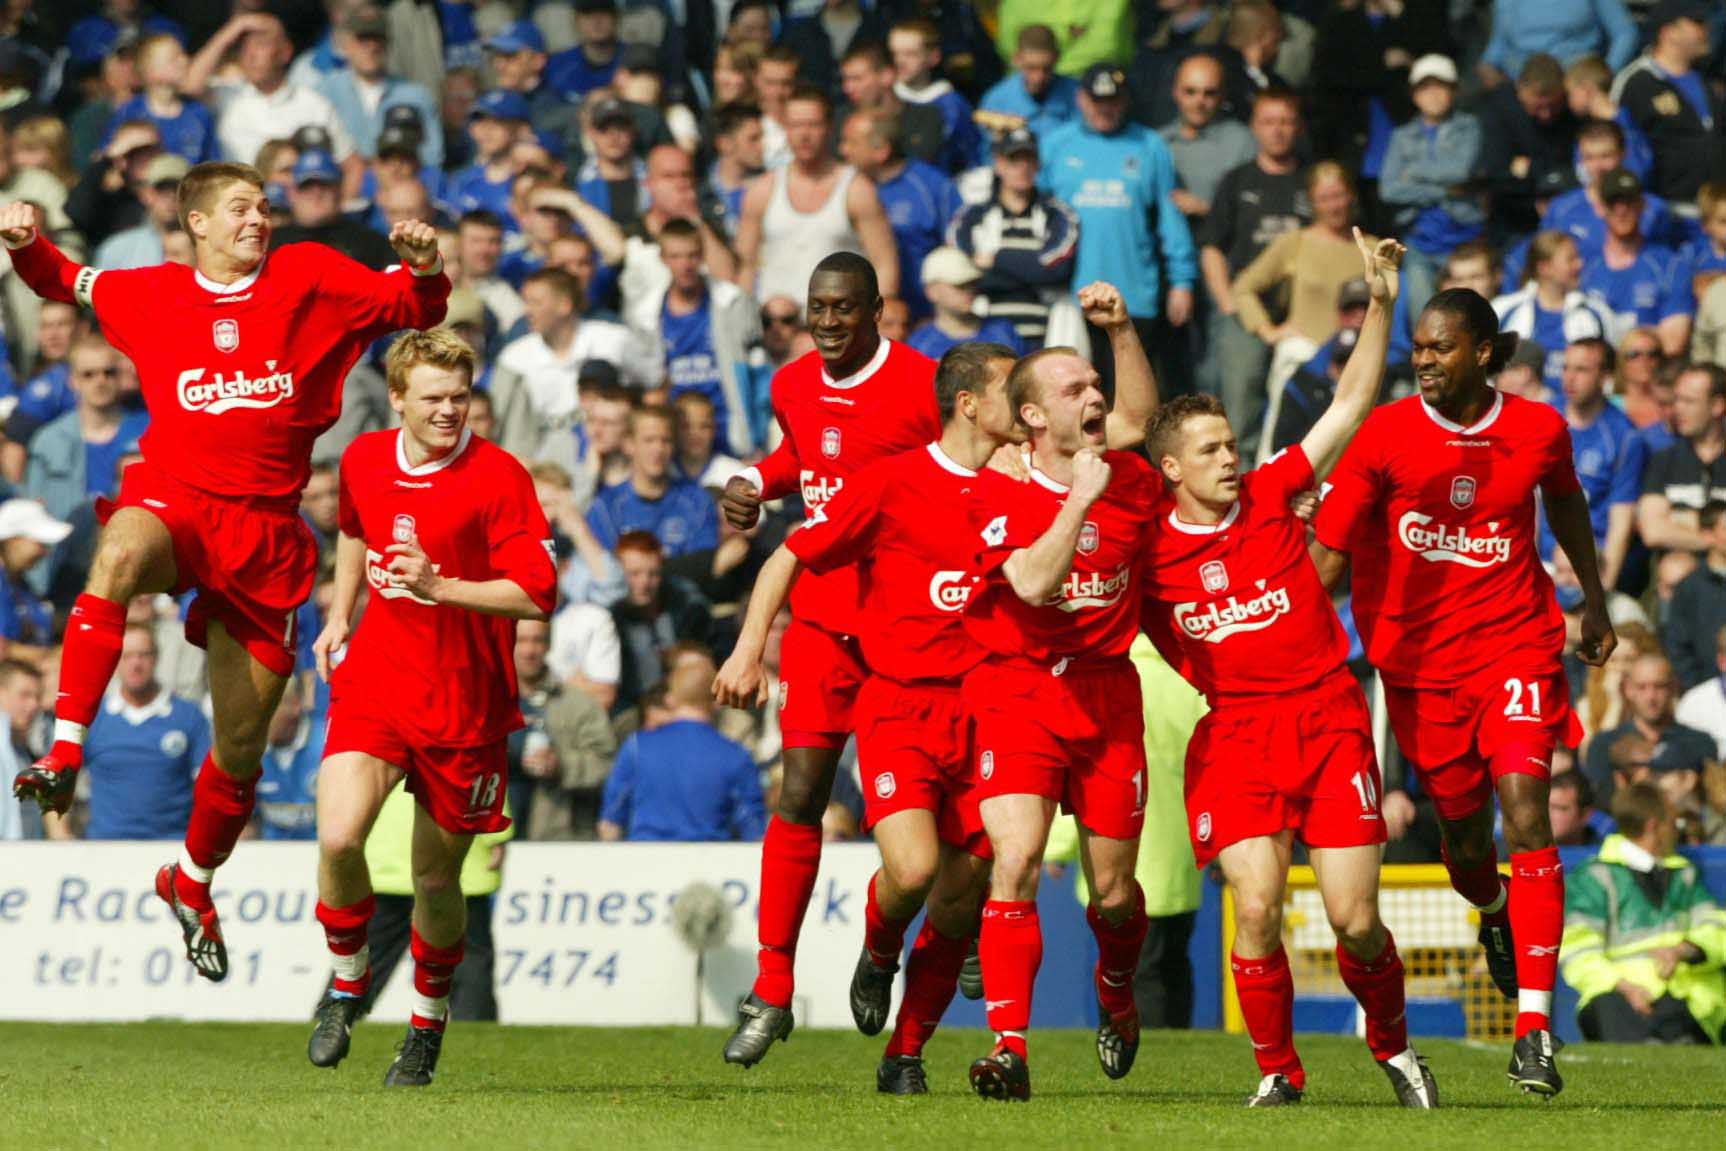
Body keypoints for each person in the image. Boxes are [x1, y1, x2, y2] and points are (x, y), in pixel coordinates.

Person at [4, 161, 448, 982]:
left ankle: (193, 880)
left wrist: (425, 267)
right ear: (197, 223)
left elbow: (413, 309)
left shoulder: (310, 277)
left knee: (239, 748)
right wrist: (26, 242)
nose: (259, 219)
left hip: (267, 537)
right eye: (241, 207)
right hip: (176, 499)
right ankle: (65, 750)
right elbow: (60, 279)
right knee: (120, 551)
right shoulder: (152, 292)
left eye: (264, 207)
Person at [1142, 231, 1434, 1107]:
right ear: (1169, 470)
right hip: (1233, 733)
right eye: (1210, 450)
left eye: (1231, 444)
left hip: (1326, 717)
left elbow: (1349, 402)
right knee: (1258, 904)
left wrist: (1382, 301)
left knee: (1354, 919)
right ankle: (1279, 1069)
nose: (1230, 457)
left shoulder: (1272, 491)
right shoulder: (1146, 553)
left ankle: (1394, 1046)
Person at [715, 335, 1047, 1093]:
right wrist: (748, 648)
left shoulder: (1025, 491)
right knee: (914, 868)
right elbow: (790, 551)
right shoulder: (894, 481)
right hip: (900, 700)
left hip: (989, 708)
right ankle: (878, 945)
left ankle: (904, 1052)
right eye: (1009, 390)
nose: (1024, 404)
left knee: (966, 889)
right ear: (968, 404)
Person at [1311, 286, 1618, 1097]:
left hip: (1516, 646)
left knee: (1526, 808)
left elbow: (1567, 502)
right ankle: (1493, 911)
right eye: (1417, 346)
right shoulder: (1385, 435)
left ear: (1484, 351)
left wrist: (1592, 597)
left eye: (1439, 347)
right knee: (1471, 845)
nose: (1422, 360)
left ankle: (1534, 1032)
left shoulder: (1538, 429)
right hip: (1419, 672)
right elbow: (1329, 554)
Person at [306, 329, 555, 1086]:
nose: (450, 411)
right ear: (399, 400)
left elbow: (538, 590)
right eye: (435, 399)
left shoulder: (500, 475)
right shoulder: (363, 459)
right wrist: (341, 612)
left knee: (435, 882)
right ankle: (349, 979)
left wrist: (441, 586)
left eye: (460, 397)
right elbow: (354, 528)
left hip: (465, 706)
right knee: (339, 834)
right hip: (378, 682)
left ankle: (425, 1025)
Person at [715, 253, 940, 1068]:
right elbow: (800, 458)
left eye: (845, 308)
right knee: (800, 788)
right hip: (818, 620)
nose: (829, 321)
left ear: (878, 310)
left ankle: (886, 944)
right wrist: (752, 480)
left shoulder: (923, 385)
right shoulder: (794, 382)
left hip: (905, 631)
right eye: (818, 307)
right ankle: (772, 989)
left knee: (914, 829)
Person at [959, 326, 1165, 1101]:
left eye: (1094, 384)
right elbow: (1035, 583)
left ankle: (1116, 986)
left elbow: (1141, 417)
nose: (1095, 395)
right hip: (1022, 690)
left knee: (1112, 893)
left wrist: (1118, 332)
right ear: (1034, 418)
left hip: (1108, 695)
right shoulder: (997, 486)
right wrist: (1079, 497)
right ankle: (1009, 1047)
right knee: (1013, 861)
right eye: (1075, 388)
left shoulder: (1134, 480)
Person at [1041, 63, 1195, 383]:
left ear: (1125, 100)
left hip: (1134, 291)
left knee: (1132, 393)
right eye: (1097, 101)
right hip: (1070, 296)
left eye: (1112, 101)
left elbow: (1170, 217)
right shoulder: (1056, 145)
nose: (1104, 109)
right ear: (1081, 99)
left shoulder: (1149, 145)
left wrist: (1182, 281)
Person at [1562, 781, 1726, 1043]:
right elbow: (1577, 951)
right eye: (1674, 822)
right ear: (1654, 826)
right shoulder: (1595, 877)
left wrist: (1685, 949)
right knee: (1608, 1006)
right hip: (1618, 999)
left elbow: (1717, 930)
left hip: (1687, 997)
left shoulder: (1683, 873)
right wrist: (1622, 986)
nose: (1678, 831)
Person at [1200, 87, 1309, 443]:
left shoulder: (1314, 181)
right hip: (1246, 312)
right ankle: (1243, 486)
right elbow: (1212, 246)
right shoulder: (1237, 181)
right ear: (1254, 128)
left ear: (1298, 127)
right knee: (1239, 408)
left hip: (1303, 313)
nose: (1277, 130)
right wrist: (1227, 301)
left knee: (1306, 406)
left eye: (1285, 122)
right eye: (1268, 122)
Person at [734, 86, 899, 307]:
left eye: (813, 124)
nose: (804, 134)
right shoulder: (762, 190)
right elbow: (745, 266)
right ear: (785, 129)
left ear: (829, 128)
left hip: (840, 328)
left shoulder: (857, 190)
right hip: (778, 326)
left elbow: (885, 264)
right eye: (796, 125)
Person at [599, 643, 764, 842]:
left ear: (670, 699)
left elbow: (610, 824)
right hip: (712, 867)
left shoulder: (637, 747)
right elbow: (755, 833)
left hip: (645, 865)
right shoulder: (737, 756)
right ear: (717, 702)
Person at [946, 126, 1079, 350]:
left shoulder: (1058, 215)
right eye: (1013, 160)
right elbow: (963, 272)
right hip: (985, 335)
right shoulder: (970, 216)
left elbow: (1057, 271)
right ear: (998, 164)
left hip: (1044, 337)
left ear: (1038, 164)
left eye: (1029, 160)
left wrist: (996, 260)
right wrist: (1031, 270)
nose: (1022, 168)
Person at [81, 622, 213, 841]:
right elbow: (61, 781)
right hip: (105, 848)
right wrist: (60, 833)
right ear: (115, 661)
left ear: (156, 659)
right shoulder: (93, 717)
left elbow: (208, 788)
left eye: (143, 655)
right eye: (127, 656)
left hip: (171, 846)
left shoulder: (189, 716)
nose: (136, 664)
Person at [1379, 55, 1484, 319]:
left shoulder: (1469, 127)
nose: (1433, 94)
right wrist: (1442, 190)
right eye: (1425, 87)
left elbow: (1461, 171)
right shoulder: (1401, 136)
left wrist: (1412, 173)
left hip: (1465, 238)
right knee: (1425, 316)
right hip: (1420, 242)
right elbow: (1389, 189)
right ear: (1414, 95)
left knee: (1471, 316)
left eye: (1441, 86)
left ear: (1454, 91)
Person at [839, 106, 959, 322]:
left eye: (852, 143)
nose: (843, 150)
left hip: (923, 315)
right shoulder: (841, 187)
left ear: (881, 150)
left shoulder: (932, 186)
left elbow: (956, 248)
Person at [509, 617, 616, 841]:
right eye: (522, 640)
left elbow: (608, 766)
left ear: (549, 645)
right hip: (494, 841)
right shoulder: (486, 702)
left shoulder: (579, 704)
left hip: (557, 841)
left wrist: (561, 765)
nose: (529, 650)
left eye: (537, 640)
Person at [1612, 1, 1726, 206]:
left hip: (1716, 212)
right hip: (1667, 210)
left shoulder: (1709, 80)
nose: (1706, 28)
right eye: (1697, 22)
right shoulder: (1637, 82)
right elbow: (1621, 145)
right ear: (1668, 31)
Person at [1555, 338, 1641, 590]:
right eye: (1566, 367)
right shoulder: (1543, 419)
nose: (1570, 377)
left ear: (1605, 376)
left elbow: (1621, 518)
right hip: (1542, 558)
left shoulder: (1625, 436)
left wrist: (1602, 591)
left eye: (1581, 370)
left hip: (1589, 561)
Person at [586, 405, 719, 565]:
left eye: (666, 440)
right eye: (649, 440)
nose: (658, 449)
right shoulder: (606, 506)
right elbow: (604, 571)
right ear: (629, 444)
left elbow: (703, 565)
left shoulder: (698, 502)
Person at [1581, 169, 1694, 355]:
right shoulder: (1583, 263)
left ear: (1642, 205)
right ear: (1599, 207)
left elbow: (1673, 342)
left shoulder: (1671, 266)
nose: (1621, 210)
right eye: (1612, 203)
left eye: (1629, 202)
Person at [1583, 653, 1715, 808]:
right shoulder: (1604, 744)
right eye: (1641, 687)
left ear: (1673, 687)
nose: (1651, 696)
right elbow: (1601, 804)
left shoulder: (1699, 744)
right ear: (1627, 689)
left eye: (1659, 686)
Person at [1492, 232, 1611, 395]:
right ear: (1544, 267)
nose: (1580, 264)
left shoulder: (1595, 313)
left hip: (1572, 415)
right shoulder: (1503, 309)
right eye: (1571, 259)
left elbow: (1610, 373)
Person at [1157, 54, 1256, 226]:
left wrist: (1207, 210)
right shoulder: (1156, 142)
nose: (1199, 101)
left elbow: (1256, 210)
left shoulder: (1243, 143)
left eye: (1209, 93)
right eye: (1190, 92)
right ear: (1175, 92)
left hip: (1221, 246)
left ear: (1222, 95)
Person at [1638, 364, 1726, 555]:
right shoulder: (1664, 460)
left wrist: (1678, 517)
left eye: (1689, 401)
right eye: (1676, 399)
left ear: (1717, 406)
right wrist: (1715, 538)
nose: (1677, 408)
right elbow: (1653, 531)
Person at [272, 149, 398, 270]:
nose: (316, 193)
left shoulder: (370, 244)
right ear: (291, 193)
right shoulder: (270, 243)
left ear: (339, 190)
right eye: (307, 186)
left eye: (324, 185)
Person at [906, 248, 1026, 361]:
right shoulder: (920, 345)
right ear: (932, 292)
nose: (969, 291)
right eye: (960, 285)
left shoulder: (1004, 332)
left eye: (972, 283)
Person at [978, 24, 1078, 143]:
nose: (1039, 77)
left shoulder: (1078, 95)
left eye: (1046, 68)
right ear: (1017, 59)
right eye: (1031, 68)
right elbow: (987, 153)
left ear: (1057, 58)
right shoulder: (997, 101)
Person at [255, 683, 322, 840]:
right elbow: (246, 823)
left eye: (267, 708)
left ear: (295, 705)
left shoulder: (329, 744)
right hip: (271, 855)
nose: (259, 719)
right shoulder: (250, 752)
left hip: (320, 852)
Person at [1670, 529, 1726, 691]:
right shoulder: (1689, 588)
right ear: (1709, 536)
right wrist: (1699, 688)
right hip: (1701, 692)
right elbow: (1677, 645)